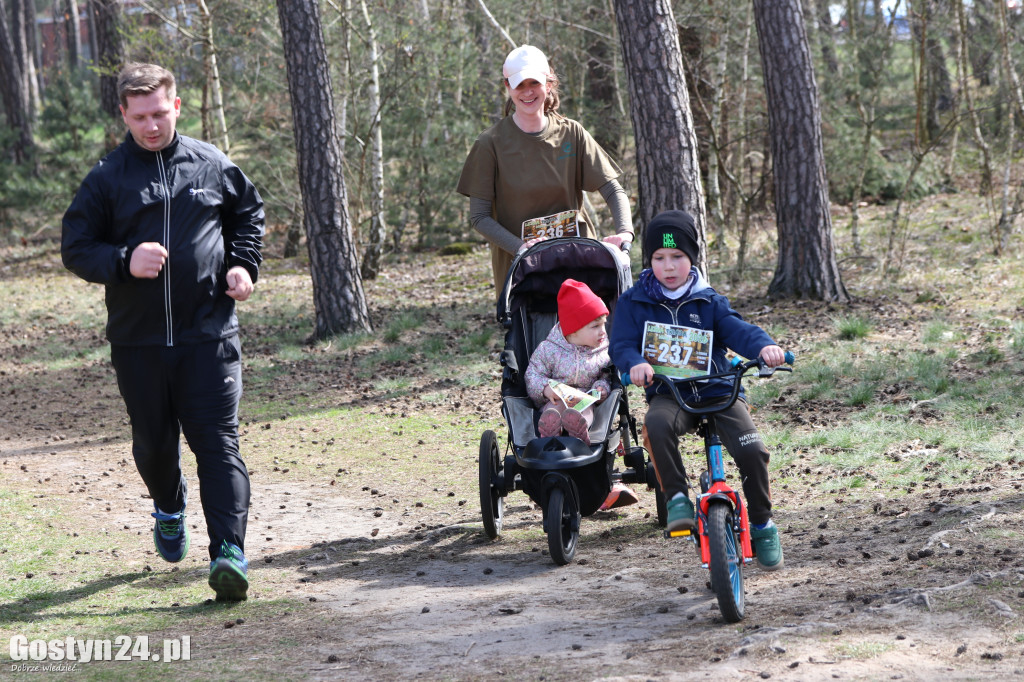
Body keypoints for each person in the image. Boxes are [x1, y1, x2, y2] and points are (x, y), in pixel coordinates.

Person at [61, 62, 265, 600]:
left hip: (210, 337)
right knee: (153, 446)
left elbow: (248, 215)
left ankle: (229, 553)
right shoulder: (107, 178)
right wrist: (125, 259)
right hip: (139, 343)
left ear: (176, 107)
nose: (152, 125)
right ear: (124, 114)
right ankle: (169, 508)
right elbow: (76, 248)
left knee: (218, 444)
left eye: (160, 113)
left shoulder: (212, 164)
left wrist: (243, 266)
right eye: (140, 116)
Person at [609, 210, 787, 570]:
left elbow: (739, 330)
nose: (669, 266)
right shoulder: (634, 302)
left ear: (692, 259)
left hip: (718, 390)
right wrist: (634, 364)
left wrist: (764, 347)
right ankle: (676, 498)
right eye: (659, 258)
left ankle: (763, 524)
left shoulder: (708, 300)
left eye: (677, 257)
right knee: (655, 426)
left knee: (753, 450)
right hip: (670, 393)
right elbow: (621, 344)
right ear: (650, 260)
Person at [457, 45, 634, 297]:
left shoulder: (572, 133)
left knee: (586, 334)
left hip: (579, 264)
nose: (528, 92)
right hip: (522, 272)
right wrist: (522, 248)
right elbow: (479, 217)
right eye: (519, 85)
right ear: (507, 87)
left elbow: (613, 189)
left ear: (548, 84)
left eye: (535, 83)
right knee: (532, 336)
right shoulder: (490, 143)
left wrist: (624, 232)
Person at [525, 279, 638, 510]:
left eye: (604, 324)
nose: (602, 331)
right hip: (555, 398)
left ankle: (579, 431)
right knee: (552, 410)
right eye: (595, 326)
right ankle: (550, 431)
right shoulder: (549, 349)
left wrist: (600, 390)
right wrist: (546, 389)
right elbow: (532, 374)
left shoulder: (604, 351)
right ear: (573, 330)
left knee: (583, 410)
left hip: (585, 400)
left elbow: (606, 377)